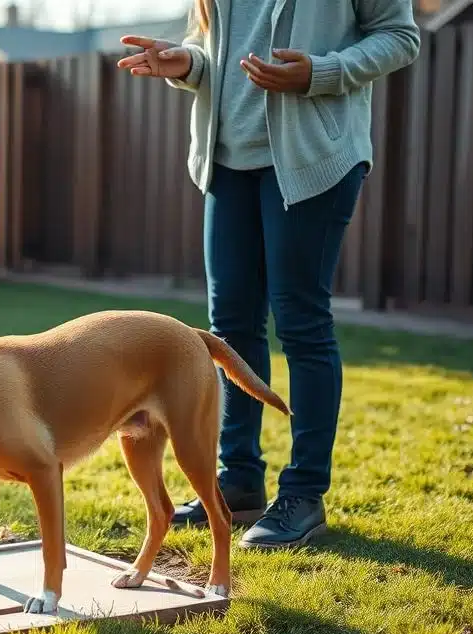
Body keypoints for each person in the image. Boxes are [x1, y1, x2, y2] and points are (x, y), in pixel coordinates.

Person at [117, 0, 419, 549]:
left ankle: (304, 492)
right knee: (229, 328)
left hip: (312, 162)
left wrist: (320, 72)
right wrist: (186, 64)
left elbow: (399, 36)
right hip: (228, 163)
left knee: (301, 321)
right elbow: (220, 55)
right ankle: (239, 480)